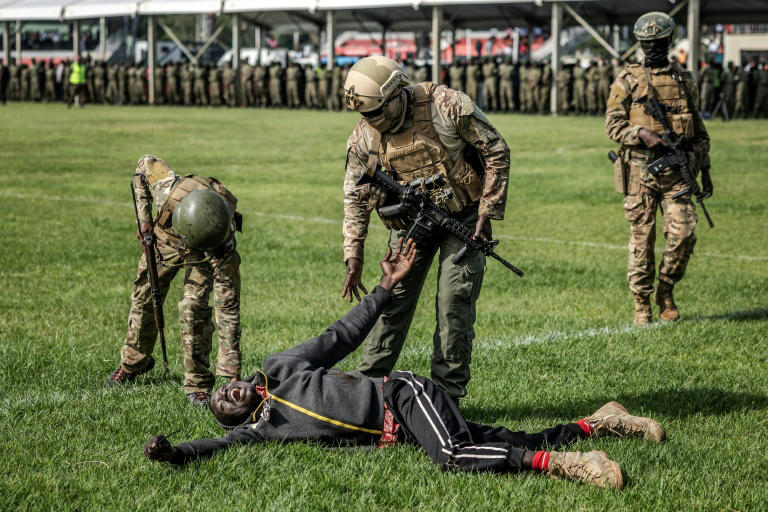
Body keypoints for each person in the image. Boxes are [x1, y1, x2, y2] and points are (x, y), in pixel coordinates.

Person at [144, 240, 665, 490]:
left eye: (224, 388)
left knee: (455, 456)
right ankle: (599, 423)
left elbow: (340, 337)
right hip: (404, 430)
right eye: (221, 405)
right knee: (503, 440)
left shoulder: (279, 368)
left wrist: (385, 287)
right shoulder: (261, 430)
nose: (225, 394)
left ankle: (574, 465)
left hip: (402, 394)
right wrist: (175, 452)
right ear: (235, 419)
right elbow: (212, 446)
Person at [341, 56, 510, 402]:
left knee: (454, 304)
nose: (370, 121)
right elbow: (355, 197)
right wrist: (353, 254)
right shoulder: (364, 137)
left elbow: (495, 149)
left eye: (376, 112)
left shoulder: (446, 106)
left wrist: (487, 209)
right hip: (411, 223)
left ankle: (446, 398)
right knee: (392, 298)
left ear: (396, 93)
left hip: (463, 219)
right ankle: (369, 393)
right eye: (365, 115)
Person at [105, 155, 243, 407]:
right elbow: (144, 164)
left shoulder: (221, 242)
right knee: (144, 295)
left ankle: (197, 385)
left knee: (194, 308)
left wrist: (232, 372)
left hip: (205, 253)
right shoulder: (167, 190)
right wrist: (145, 219)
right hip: (165, 239)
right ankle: (133, 362)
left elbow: (228, 309)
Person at [606, 12, 711, 326]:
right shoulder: (627, 79)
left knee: (684, 234)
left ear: (668, 42)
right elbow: (612, 124)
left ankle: (665, 289)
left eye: (658, 43)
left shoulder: (684, 79)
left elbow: (698, 130)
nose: (652, 48)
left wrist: (705, 169)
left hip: (678, 172)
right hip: (640, 171)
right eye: (646, 43)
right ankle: (642, 305)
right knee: (642, 242)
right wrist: (642, 133)